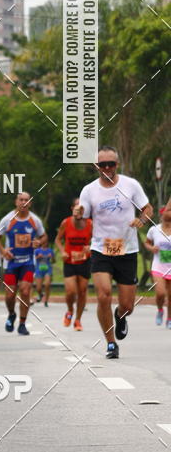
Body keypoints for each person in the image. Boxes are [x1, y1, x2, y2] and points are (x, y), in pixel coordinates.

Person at [79, 145, 152, 359]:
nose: (107, 168)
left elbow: (148, 209)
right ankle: (111, 343)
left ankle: (120, 315)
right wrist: (77, 214)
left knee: (128, 305)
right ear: (96, 166)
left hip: (127, 250)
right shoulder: (89, 190)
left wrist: (141, 220)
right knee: (103, 295)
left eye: (111, 164)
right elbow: (82, 217)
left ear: (117, 164)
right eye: (103, 164)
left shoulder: (131, 185)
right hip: (101, 249)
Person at [0, 192, 45, 336]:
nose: (23, 202)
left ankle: (22, 323)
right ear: (16, 202)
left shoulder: (35, 220)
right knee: (10, 296)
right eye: (21, 200)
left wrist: (39, 242)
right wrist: (3, 251)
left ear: (30, 203)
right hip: (11, 263)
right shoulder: (7, 220)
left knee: (25, 291)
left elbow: (43, 236)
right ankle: (11, 314)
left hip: (28, 261)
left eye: (26, 200)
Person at [55, 198, 92, 330]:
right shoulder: (66, 222)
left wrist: (90, 247)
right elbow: (58, 240)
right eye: (76, 207)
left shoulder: (90, 223)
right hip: (69, 261)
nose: (79, 210)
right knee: (71, 291)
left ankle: (78, 320)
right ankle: (70, 310)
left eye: (82, 207)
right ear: (72, 209)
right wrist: (62, 251)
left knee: (82, 291)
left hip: (84, 260)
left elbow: (97, 240)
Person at [144, 200, 171, 328]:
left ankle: (169, 319)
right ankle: (160, 310)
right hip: (158, 266)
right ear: (162, 215)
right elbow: (146, 243)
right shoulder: (154, 229)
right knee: (160, 293)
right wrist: (151, 248)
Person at [33, 240, 55, 306]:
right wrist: (38, 257)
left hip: (48, 269)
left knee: (47, 284)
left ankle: (46, 301)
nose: (45, 243)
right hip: (39, 269)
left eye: (46, 242)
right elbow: (33, 259)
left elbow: (54, 261)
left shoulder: (50, 250)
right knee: (38, 288)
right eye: (44, 242)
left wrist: (52, 257)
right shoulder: (37, 251)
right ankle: (41, 294)